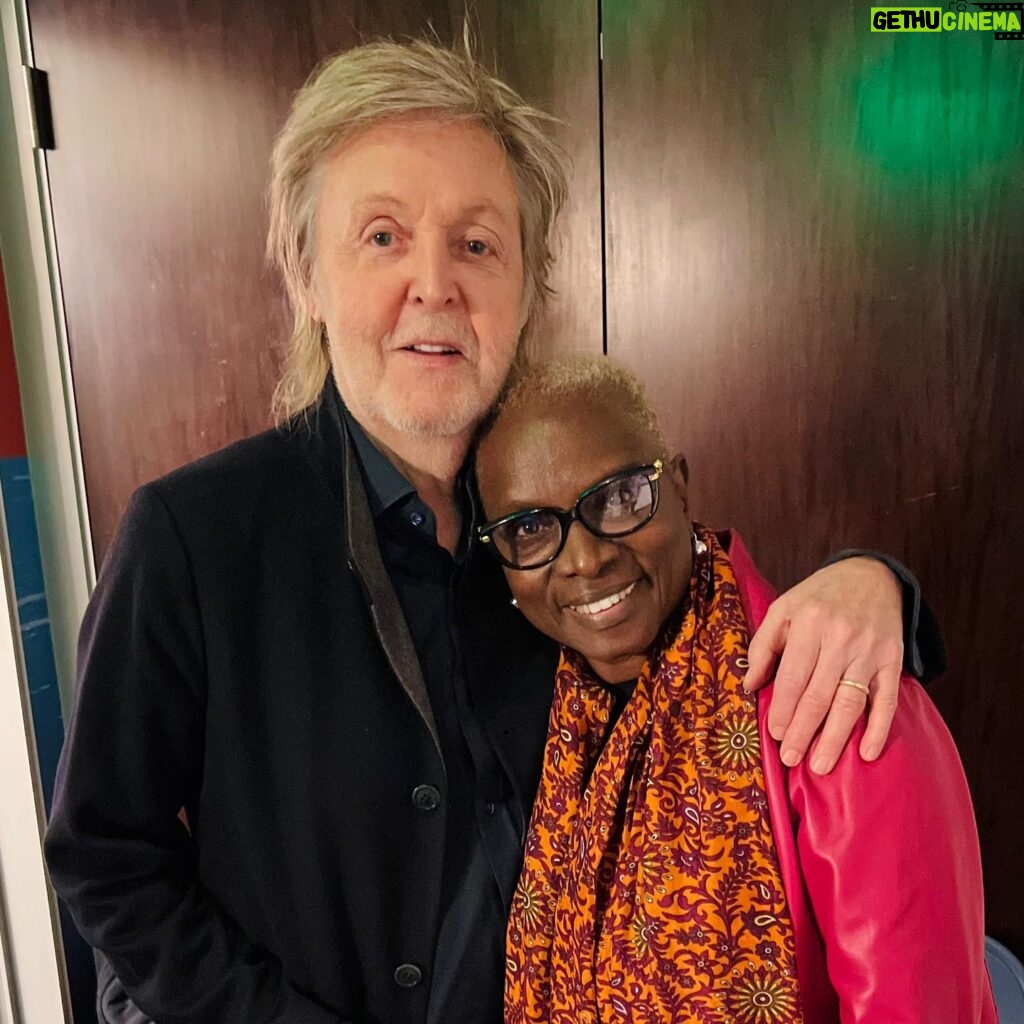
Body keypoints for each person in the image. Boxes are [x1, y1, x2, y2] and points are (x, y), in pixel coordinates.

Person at [45, 37, 942, 1024]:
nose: (435, 284)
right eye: (381, 237)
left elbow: (700, 599)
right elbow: (105, 855)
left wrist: (873, 579)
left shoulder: (561, 527)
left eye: (476, 244)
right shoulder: (193, 536)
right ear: (305, 275)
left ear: (526, 286)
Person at [473, 354, 995, 1024]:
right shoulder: (547, 718)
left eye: (619, 497)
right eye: (528, 528)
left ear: (681, 486)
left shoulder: (836, 693)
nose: (585, 557)